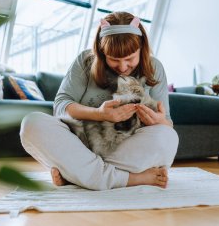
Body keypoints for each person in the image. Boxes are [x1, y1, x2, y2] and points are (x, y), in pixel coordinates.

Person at [20, 11, 179, 191]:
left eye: (130, 59)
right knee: (31, 123)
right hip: (79, 144)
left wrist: (160, 121)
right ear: (102, 53)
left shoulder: (154, 67)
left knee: (168, 137)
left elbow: (168, 124)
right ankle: (130, 179)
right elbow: (61, 106)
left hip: (122, 150)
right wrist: (99, 114)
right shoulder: (85, 61)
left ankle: (77, 174)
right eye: (114, 59)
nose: (123, 67)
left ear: (142, 49)